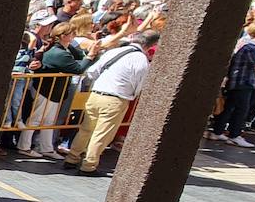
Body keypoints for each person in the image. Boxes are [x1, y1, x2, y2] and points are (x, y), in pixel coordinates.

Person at [65, 30, 160, 174]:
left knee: (85, 130)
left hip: (96, 94)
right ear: (152, 45)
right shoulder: (141, 60)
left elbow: (92, 72)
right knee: (101, 134)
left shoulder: (114, 52)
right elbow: (140, 86)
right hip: (115, 98)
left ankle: (72, 158)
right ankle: (88, 166)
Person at [17, 21, 93, 159]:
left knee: (48, 121)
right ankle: (24, 146)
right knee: (36, 119)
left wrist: (78, 50)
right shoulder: (58, 53)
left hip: (54, 91)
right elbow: (78, 69)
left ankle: (46, 147)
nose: (74, 36)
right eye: (72, 33)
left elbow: (79, 58)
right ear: (63, 36)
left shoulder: (64, 49)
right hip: (45, 90)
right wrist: (90, 56)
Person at [208, 21, 255, 148]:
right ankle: (234, 135)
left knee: (230, 107)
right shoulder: (251, 46)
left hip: (237, 80)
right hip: (244, 81)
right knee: (242, 109)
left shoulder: (244, 43)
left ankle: (218, 131)